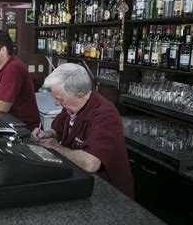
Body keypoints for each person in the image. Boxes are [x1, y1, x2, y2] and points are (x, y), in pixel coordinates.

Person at [31, 63, 134, 198]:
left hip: (110, 194)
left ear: (79, 96)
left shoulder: (105, 116)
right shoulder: (72, 105)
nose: (56, 103)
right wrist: (47, 134)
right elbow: (58, 129)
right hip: (80, 179)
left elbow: (90, 163)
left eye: (59, 99)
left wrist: (56, 147)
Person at [0, 31, 40, 131]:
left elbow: (3, 106)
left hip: (25, 129)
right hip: (9, 122)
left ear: (3, 50)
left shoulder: (13, 69)